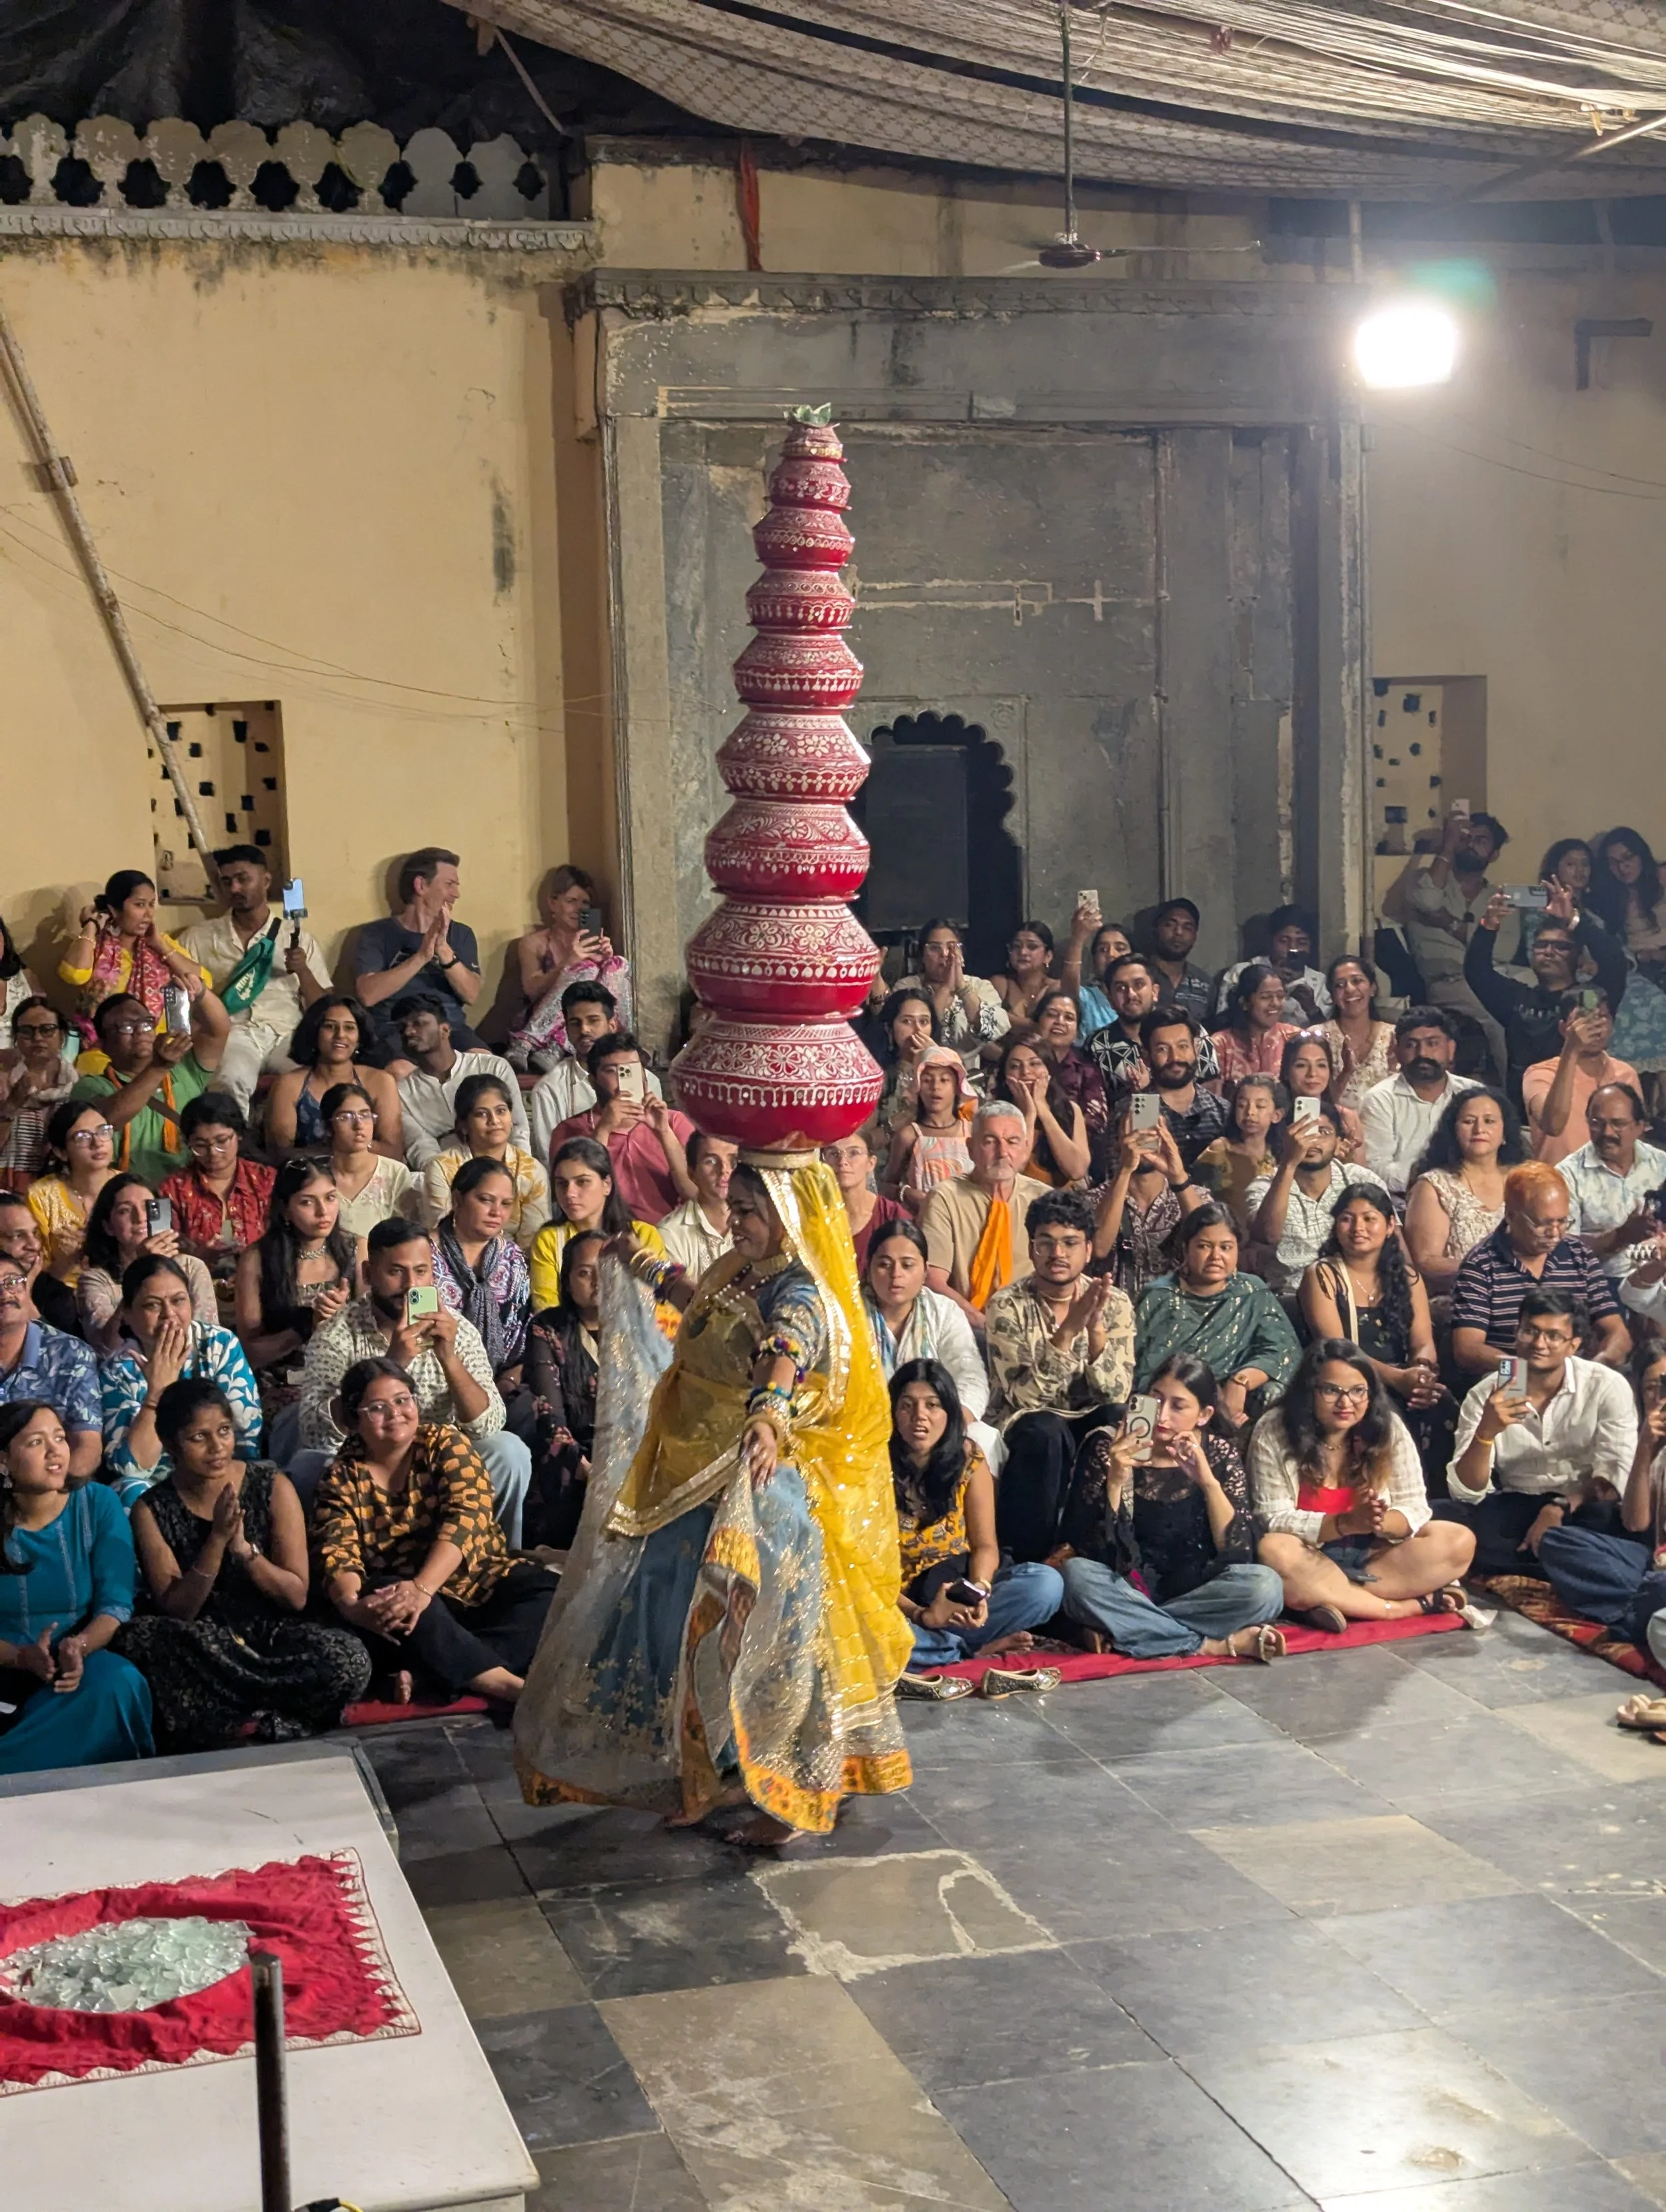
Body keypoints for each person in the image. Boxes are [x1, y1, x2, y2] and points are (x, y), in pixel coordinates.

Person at [514, 1155, 912, 1844]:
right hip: (691, 1475)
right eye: (734, 1207)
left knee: (762, 1638)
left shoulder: (798, 1288)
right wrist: (643, 1265)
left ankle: (787, 1795)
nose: (734, 1220)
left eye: (750, 1210)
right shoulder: (738, 1269)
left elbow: (784, 1347)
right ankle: (718, 1771)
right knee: (675, 1623)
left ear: (786, 1217)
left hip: (756, 1486)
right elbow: (703, 1304)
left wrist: (766, 1417)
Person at [117, 1379, 371, 1749]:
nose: (217, 1447)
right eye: (199, 1438)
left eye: (223, 1431)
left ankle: (232, 1715)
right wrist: (217, 1542)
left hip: (273, 1635)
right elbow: (178, 1610)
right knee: (138, 1641)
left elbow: (296, 1596)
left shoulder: (271, 1484)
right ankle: (276, 1715)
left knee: (349, 1661)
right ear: (172, 1445)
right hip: (205, 1641)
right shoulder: (151, 1508)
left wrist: (245, 1551)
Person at [316, 1358, 557, 1706]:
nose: (396, 1413)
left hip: (474, 1581)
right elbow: (337, 1552)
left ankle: (435, 1672)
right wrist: (355, 1608)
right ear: (355, 1418)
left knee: (550, 1596)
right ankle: (507, 1686)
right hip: (409, 1607)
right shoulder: (341, 1477)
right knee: (387, 1596)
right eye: (378, 1407)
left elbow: (468, 1516)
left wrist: (424, 1587)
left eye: (403, 1400)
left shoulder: (445, 1443)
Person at [295, 1220, 530, 1540]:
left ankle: (496, 1560)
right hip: (369, 1469)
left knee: (508, 1451)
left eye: (421, 1271)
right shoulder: (337, 1335)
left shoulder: (455, 1330)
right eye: (396, 1272)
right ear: (368, 1273)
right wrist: (392, 1364)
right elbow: (315, 1432)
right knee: (308, 1466)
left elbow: (488, 1425)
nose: (411, 1285)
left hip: (447, 1468)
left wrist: (449, 1357)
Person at [1060, 1355, 1287, 1661]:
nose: (1163, 1416)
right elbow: (1091, 1549)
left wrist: (1208, 1483)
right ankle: (1208, 1645)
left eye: (1178, 1406)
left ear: (1204, 1414)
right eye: (1156, 1400)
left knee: (1265, 1586)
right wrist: (1115, 1480)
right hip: (1126, 1586)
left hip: (1198, 1592)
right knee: (1077, 1577)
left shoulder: (1218, 1452)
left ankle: (1138, 1627)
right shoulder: (1106, 1446)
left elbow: (1237, 1551)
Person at [1253, 1341, 1475, 1626]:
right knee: (1274, 1550)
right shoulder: (1274, 1428)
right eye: (1332, 1391)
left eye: (1358, 1391)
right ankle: (1403, 1608)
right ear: (1309, 1392)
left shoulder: (1388, 1427)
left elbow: (1416, 1506)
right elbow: (1271, 1518)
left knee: (1458, 1540)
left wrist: (1379, 1522)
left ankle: (1331, 1599)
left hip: (1375, 1556)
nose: (1346, 1403)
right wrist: (1345, 1524)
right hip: (1310, 1554)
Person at [0, 1401, 153, 1774]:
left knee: (120, 1682)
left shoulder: (97, 1503)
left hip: (73, 1672)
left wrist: (79, 1646)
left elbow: (115, 1603)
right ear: (3, 1460)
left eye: (59, 1438)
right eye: (37, 1442)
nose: (56, 1452)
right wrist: (20, 1657)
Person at [1440, 1289, 1638, 1576]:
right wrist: (1486, 1432)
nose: (1539, 1344)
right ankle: (1560, 1566)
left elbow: (1614, 1474)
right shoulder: (1487, 1392)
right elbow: (1467, 1492)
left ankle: (1545, 1561)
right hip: (1516, 1503)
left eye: (1554, 1336)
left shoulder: (1606, 1385)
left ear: (1574, 1345)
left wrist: (1557, 1508)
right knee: (1445, 1518)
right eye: (1530, 1331)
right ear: (1516, 1333)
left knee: (1609, 1525)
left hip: (1581, 1505)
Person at [985, 1190, 1136, 1563]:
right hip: (1028, 1421)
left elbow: (1117, 1391)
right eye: (1046, 1243)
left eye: (1070, 1244)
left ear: (1088, 1250)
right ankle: (1029, 1560)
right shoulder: (1006, 1304)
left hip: (1090, 1416)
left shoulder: (1114, 1302)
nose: (1058, 1254)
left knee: (1120, 1421)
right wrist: (1067, 1333)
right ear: (1032, 1248)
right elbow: (1023, 1398)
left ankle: (1098, 1551)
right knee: (1046, 1432)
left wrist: (1096, 1332)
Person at [890, 1362, 1064, 1684]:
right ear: (892, 1412)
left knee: (1046, 1585)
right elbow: (867, 1573)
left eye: (932, 1405)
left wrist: (978, 1594)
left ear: (950, 1412)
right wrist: (924, 1615)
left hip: (956, 1589)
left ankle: (945, 1646)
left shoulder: (968, 1458)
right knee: (860, 1631)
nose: (920, 1417)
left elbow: (985, 1546)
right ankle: (963, 1649)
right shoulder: (872, 1467)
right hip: (899, 1603)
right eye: (907, 1405)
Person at [1535, 1345, 1666, 1667]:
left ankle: (1637, 1613)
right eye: (1654, 1387)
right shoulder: (1651, 1443)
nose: (1661, 1397)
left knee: (1655, 1586)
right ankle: (1644, 1612)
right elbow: (1636, 1523)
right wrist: (1646, 1448)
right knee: (1558, 1541)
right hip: (1651, 1562)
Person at [177, 845, 332, 1109]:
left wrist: (303, 970)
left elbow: (324, 1007)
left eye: (243, 879)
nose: (235, 889)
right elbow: (178, 993)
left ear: (266, 881)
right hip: (232, 1033)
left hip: (286, 1032)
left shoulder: (296, 937)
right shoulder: (198, 937)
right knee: (229, 1080)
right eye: (227, 882)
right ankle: (233, 1147)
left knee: (312, 1082)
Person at [101, 1256, 263, 1504]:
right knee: (128, 1489)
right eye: (153, 1306)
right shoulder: (118, 1369)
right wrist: (157, 1391)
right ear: (128, 1315)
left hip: (222, 1470)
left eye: (178, 1301)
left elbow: (247, 1437)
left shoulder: (219, 1345)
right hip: (159, 1487)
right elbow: (130, 1468)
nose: (169, 1315)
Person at [1301, 1185, 1446, 1460]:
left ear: (1391, 1225)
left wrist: (1421, 1375)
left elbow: (1423, 1342)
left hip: (1405, 1378)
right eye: (1347, 1218)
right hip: (1347, 1381)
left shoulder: (1409, 1278)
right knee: (1386, 1416)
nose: (1358, 1227)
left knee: (1444, 1408)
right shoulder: (1322, 1275)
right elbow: (1337, 1349)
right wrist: (1398, 1380)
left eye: (1369, 1218)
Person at [1450, 1161, 1629, 1376]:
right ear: (1511, 1216)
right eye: (1542, 1224)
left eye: (1562, 1222)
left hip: (1575, 1377)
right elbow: (1467, 1350)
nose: (1555, 1234)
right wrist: (1524, 1369)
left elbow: (1618, 1332)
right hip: (1510, 1375)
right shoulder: (1481, 1266)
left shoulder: (1579, 1255)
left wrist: (1595, 1369)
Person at [1465, 881, 1629, 1106]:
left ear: (1579, 958)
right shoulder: (1515, 999)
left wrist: (1574, 920)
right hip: (1527, 1111)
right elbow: (1477, 971)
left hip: (1586, 1109)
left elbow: (1614, 961)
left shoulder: (1591, 996)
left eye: (1560, 947)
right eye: (1541, 945)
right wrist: (1490, 924)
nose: (1549, 952)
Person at [1133, 1205, 1301, 1420]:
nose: (1216, 1256)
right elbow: (1143, 1372)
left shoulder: (1251, 1292)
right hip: (1171, 1405)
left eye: (1226, 1247)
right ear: (1186, 1249)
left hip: (1237, 1403)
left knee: (1276, 1392)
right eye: (1204, 1246)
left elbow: (1284, 1352)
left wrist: (1240, 1381)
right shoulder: (1159, 1296)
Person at [234, 1159, 359, 1448]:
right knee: (306, 1421)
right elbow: (249, 1353)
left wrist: (342, 1320)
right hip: (283, 1384)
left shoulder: (355, 1249)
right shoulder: (258, 1259)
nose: (323, 1211)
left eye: (330, 1198)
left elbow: (373, 1327)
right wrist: (306, 1326)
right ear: (286, 1210)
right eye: (307, 1202)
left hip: (347, 1376)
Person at [862, 1219, 1000, 1471]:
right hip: (867, 1425)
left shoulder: (944, 1311)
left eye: (907, 1265)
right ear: (868, 1268)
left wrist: (948, 1428)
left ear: (925, 1271)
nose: (896, 1275)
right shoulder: (849, 1314)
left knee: (985, 1440)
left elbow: (971, 1377)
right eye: (884, 1264)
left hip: (935, 1425)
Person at [69, 985, 232, 1191]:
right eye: (126, 1027)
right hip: (125, 1197)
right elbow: (106, 1121)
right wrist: (158, 1067)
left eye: (146, 1023)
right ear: (103, 1044)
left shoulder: (184, 1069)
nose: (139, 1032)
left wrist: (199, 991)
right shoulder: (90, 1086)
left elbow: (219, 1029)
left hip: (189, 1194)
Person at [1390, 804, 1512, 1071]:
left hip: (1492, 976)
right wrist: (1447, 846)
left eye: (1480, 840)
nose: (1470, 845)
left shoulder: (1500, 898)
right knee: (1500, 1021)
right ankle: (1510, 1097)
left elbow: (1503, 951)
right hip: (1448, 982)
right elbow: (1427, 900)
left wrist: (1448, 923)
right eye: (1465, 838)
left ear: (1494, 854)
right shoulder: (1425, 880)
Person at [58, 868, 208, 1065]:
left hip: (160, 1047)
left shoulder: (161, 943)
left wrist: (160, 946)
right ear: (114, 909)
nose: (148, 914)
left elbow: (203, 981)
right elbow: (74, 974)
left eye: (152, 905)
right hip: (104, 1051)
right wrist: (91, 925)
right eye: (139, 905)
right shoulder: (95, 945)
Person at [920, 1101, 1050, 1328]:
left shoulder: (1043, 1198)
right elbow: (933, 1280)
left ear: (1025, 1148)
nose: (1002, 1152)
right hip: (965, 1325)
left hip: (1033, 1324)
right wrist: (985, 1325)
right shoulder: (945, 1197)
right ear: (970, 1148)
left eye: (1012, 1142)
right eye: (990, 1142)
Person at [547, 1033, 695, 1225]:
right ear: (593, 1082)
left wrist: (664, 1133)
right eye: (612, 1071)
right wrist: (604, 1129)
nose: (623, 1079)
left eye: (631, 1070)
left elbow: (694, 1195)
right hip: (605, 1236)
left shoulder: (675, 1122)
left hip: (673, 1235)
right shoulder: (568, 1131)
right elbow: (574, 1200)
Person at [355, 846, 484, 1053]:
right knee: (401, 1070)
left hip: (450, 1029)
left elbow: (472, 994)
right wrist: (422, 956)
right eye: (450, 885)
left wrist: (443, 950)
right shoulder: (376, 934)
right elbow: (368, 995)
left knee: (487, 1064)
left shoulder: (461, 934)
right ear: (421, 885)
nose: (456, 894)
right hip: (395, 1029)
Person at [1246, 1103, 1386, 1295]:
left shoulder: (1361, 1179)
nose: (1312, 1141)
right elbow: (1268, 1235)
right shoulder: (1264, 1186)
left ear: (1339, 1141)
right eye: (1303, 1133)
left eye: (1323, 1132)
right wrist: (1289, 1163)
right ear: (1287, 1140)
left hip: (1358, 1293)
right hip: (1291, 1298)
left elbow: (1395, 1242)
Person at [159, 1091, 276, 1320]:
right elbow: (162, 1259)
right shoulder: (168, 1190)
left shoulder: (267, 1180)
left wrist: (251, 1267)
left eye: (222, 1141)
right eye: (200, 1145)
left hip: (264, 1294)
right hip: (195, 1300)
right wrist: (200, 1257)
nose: (213, 1153)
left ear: (239, 1135)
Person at [506, 863, 632, 1067]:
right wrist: (568, 963)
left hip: (584, 1026)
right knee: (585, 969)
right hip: (541, 1018)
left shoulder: (593, 943)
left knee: (617, 964)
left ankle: (561, 1046)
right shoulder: (534, 943)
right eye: (571, 901)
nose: (579, 909)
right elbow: (532, 991)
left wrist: (605, 963)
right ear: (553, 903)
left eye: (585, 903)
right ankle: (526, 1042)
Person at [524, 1230, 604, 1550]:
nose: (597, 1282)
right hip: (577, 1457)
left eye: (606, 1271)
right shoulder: (548, 1328)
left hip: (630, 1454)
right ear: (568, 1280)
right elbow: (551, 1417)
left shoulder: (642, 1325)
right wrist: (589, 1470)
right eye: (584, 1273)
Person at [76, 1173, 215, 1355]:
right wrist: (141, 1269)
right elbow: (108, 1349)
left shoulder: (192, 1268)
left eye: (148, 1208)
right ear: (108, 1226)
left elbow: (207, 1342)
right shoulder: (95, 1280)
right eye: (125, 1211)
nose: (140, 1218)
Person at [1403, 1087, 1524, 1295]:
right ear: (1453, 1131)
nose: (1479, 1129)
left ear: (1505, 1133)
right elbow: (1426, 1262)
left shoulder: (1524, 1179)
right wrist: (1492, 1272)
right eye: (1469, 1121)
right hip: (1460, 1299)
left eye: (1489, 1121)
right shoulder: (1434, 1185)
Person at [526, 979, 661, 1160]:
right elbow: (552, 1160)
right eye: (575, 1023)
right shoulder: (550, 1089)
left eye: (593, 1021)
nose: (584, 1030)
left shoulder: (648, 1082)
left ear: (612, 1024)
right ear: (566, 1029)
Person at [530, 1135, 668, 1311]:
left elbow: (661, 1303)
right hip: (569, 1336)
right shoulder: (549, 1240)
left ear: (607, 1185)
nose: (569, 1193)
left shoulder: (643, 1235)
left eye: (582, 1182)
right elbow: (547, 1311)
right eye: (562, 1184)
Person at [391, 995, 526, 1171]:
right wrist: (449, 1181)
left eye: (418, 1023)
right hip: (450, 1180)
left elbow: (518, 1127)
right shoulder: (402, 1093)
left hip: (507, 1169)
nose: (409, 1032)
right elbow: (421, 1147)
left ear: (445, 1030)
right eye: (403, 1028)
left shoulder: (492, 1067)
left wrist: (520, 1172)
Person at [265, 993, 405, 1161]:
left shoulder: (380, 1081)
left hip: (370, 1176)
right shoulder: (289, 1084)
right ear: (314, 1033)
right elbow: (280, 1154)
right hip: (309, 1178)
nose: (340, 1035)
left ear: (360, 1038)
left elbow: (393, 1152)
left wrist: (350, 1144)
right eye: (330, 1027)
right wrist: (338, 1147)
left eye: (350, 1028)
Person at [419, 1072, 550, 1250]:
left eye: (501, 1111)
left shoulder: (532, 1171)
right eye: (482, 1114)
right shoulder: (442, 1168)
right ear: (464, 1125)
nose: (494, 1121)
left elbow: (534, 1241)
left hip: (515, 1265)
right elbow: (443, 1231)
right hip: (453, 1261)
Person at [430, 1158, 531, 1388]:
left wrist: (510, 1380)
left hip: (503, 1382)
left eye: (506, 1204)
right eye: (486, 1200)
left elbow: (525, 1332)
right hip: (435, 1378)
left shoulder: (513, 1258)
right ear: (458, 1200)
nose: (497, 1212)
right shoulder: (422, 1253)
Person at [1359, 1005, 1480, 1198]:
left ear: (1451, 1049)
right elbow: (1376, 1169)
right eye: (1411, 1045)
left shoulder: (1473, 1094)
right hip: (1404, 1201)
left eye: (1433, 1044)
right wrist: (1439, 1178)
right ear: (1396, 1050)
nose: (1422, 1053)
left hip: (1474, 1194)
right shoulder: (1380, 1099)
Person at [0, 1255, 103, 1476]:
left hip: (50, 1489)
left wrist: (50, 1497)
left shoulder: (71, 1354)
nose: (5, 1294)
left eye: (12, 1282)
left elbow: (88, 1446)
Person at [1092, 1113, 1207, 1303]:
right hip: (1113, 1316)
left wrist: (1178, 1177)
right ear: (1117, 1142)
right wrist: (1125, 1169)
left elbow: (1208, 1237)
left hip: (1177, 1314)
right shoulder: (1096, 1199)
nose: (1142, 1137)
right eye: (1133, 1131)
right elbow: (1098, 1248)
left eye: (1152, 1131)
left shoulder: (1194, 1195)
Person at [1556, 1083, 1666, 1280]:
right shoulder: (1567, 1175)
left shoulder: (1662, 1165)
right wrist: (1620, 1237)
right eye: (1597, 1123)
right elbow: (1563, 1250)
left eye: (1618, 1124)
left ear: (1640, 1126)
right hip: (1601, 1285)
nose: (1607, 1132)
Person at [1521, 991, 1639, 1166]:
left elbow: (1637, 1138)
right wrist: (1571, 1049)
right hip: (1560, 1184)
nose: (1594, 1027)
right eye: (1583, 1020)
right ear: (1564, 1028)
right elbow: (1553, 1126)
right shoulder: (1540, 1073)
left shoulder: (1626, 1073)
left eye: (1601, 1018)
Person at [27, 1099, 119, 1286]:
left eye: (103, 1131)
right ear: (61, 1152)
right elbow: (33, 1277)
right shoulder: (41, 1196)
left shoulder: (128, 1188)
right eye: (83, 1137)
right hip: (61, 1296)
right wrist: (64, 1260)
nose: (97, 1142)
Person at [896, 919, 1010, 1067]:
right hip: (919, 1072)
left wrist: (961, 985)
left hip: (969, 1077)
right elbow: (916, 1035)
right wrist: (946, 988)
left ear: (961, 953)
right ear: (923, 955)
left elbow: (993, 1031)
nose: (945, 954)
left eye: (952, 947)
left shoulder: (981, 986)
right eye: (935, 948)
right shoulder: (907, 986)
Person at [321, 1080, 423, 1238]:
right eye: (346, 1117)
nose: (359, 1125)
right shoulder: (315, 1175)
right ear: (328, 1126)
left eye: (365, 1115)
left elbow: (406, 1236)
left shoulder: (395, 1173)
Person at [992, 1029, 1092, 1187]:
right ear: (1005, 1077)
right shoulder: (995, 1114)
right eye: (1015, 1066)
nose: (1026, 1072)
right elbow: (1011, 1170)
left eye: (1035, 1064)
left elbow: (1076, 1170)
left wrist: (1043, 1111)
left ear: (1049, 1070)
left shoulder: (1071, 1110)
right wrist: (1029, 1115)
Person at [882, 1045, 974, 1211]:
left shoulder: (972, 1133)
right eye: (927, 1080)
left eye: (944, 1080)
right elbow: (886, 1186)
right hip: (923, 1221)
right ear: (918, 1087)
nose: (935, 1087)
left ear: (957, 1087)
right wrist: (906, 1193)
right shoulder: (909, 1136)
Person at [1031, 990, 1113, 1175]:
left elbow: (1096, 1121)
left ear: (1077, 1031)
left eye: (1069, 1017)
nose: (1059, 1021)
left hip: (1074, 1157)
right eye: (1052, 1015)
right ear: (1037, 1022)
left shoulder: (1087, 1070)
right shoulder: (1020, 1062)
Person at [1192, 1075, 1284, 1233]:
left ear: (1276, 1115)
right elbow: (1197, 1197)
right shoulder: (1220, 1150)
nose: (1250, 1112)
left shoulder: (1280, 1156)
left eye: (1260, 1106)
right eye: (1242, 1105)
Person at [0, 997, 76, 1189]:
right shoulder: (3, 1082)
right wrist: (12, 1106)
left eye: (47, 1029)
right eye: (27, 1031)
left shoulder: (79, 1087)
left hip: (61, 1191)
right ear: (16, 1039)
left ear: (62, 1036)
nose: (38, 1038)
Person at [1141, 1009, 1229, 1167]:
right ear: (1147, 1055)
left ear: (1195, 1049)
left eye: (1182, 1046)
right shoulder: (1142, 1108)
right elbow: (1144, 1177)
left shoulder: (1222, 1111)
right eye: (1163, 1049)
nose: (1175, 1057)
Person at [1216, 907, 1331, 1026]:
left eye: (1301, 943)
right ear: (1271, 941)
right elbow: (1222, 1023)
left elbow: (1330, 1034)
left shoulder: (1319, 982)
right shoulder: (1240, 973)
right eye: (1284, 941)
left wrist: (1311, 1008)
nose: (1293, 949)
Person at [820, 1124, 908, 1275]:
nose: (843, 1161)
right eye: (834, 1154)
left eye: (853, 1153)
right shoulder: (812, 1216)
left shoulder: (893, 1216)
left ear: (871, 1163)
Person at [1588, 826, 1666, 989]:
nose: (1622, 868)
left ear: (1641, 856)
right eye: (1614, 863)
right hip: (1638, 966)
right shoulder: (1608, 895)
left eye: (1628, 858)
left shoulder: (1661, 876)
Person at [658, 1131, 738, 1281]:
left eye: (733, 1161)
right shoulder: (671, 1234)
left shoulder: (761, 1222)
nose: (724, 1170)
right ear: (692, 1173)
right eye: (711, 1161)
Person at [1323, 955, 1395, 1116]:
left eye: (1357, 981)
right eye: (1340, 985)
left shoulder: (1394, 1036)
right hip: (1335, 1132)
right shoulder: (1319, 1037)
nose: (1349, 989)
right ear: (1333, 995)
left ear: (1373, 988)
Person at [1085, 955, 1164, 1102]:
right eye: (1121, 988)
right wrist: (1143, 1095)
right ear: (1110, 999)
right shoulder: (1097, 1045)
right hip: (1125, 1122)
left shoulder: (1186, 1033)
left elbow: (1210, 1096)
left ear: (1155, 992)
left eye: (1139, 985)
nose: (1131, 994)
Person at [0, 1193, 79, 1338]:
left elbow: (68, 1354)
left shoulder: (54, 1294)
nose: (34, 1245)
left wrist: (26, 1294)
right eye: (17, 1236)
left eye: (35, 1233)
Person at [1210, 964, 1299, 1086]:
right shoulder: (1220, 1043)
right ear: (1245, 1002)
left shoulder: (1294, 1037)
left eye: (1280, 996)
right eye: (1266, 997)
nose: (1275, 1003)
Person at [1279, 1030, 1362, 1160]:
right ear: (1286, 1072)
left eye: (1321, 1065)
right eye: (1301, 1065)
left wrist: (1347, 1160)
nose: (1312, 1073)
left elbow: (1361, 1174)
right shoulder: (1274, 1116)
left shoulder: (1346, 1118)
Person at [874, 987, 942, 1143]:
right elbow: (867, 1140)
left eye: (924, 1021)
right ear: (889, 1027)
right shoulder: (877, 1075)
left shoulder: (950, 1069)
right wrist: (904, 1117)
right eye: (907, 1022)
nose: (918, 1030)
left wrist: (936, 1060)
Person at [1145, 899, 1216, 1026]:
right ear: (1156, 929)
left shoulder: (1204, 982)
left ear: (1195, 936)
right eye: (1170, 925)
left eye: (1187, 927)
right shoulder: (1139, 974)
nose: (1178, 932)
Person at [1066, 920, 1134, 1041]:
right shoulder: (1087, 998)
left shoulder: (1142, 997)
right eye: (1103, 950)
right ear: (1094, 960)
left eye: (1120, 948)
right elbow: (1069, 993)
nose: (1111, 955)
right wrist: (1078, 939)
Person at [993, 919, 1058, 1028]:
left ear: (1048, 956)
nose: (1023, 952)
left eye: (1032, 947)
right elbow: (987, 1020)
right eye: (1016, 946)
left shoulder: (1054, 988)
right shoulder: (1000, 984)